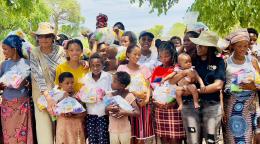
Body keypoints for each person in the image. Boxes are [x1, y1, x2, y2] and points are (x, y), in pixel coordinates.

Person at [170, 31, 225, 143]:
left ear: (210, 47)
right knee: (193, 140)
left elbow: (218, 85)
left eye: (201, 45)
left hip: (211, 107)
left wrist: (195, 91)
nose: (198, 47)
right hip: (190, 106)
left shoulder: (219, 62)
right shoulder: (190, 60)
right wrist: (183, 73)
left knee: (211, 140)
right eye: (197, 44)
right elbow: (173, 81)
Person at [30, 22, 65, 144]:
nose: (43, 39)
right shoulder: (35, 52)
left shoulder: (61, 51)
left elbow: (69, 67)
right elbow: (37, 75)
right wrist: (48, 98)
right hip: (41, 96)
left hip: (60, 95)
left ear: (53, 38)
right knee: (44, 130)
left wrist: (83, 62)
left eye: (47, 36)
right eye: (40, 36)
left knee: (62, 129)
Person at [223, 29, 260, 144]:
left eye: (245, 46)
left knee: (248, 138)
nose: (243, 49)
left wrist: (252, 87)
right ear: (233, 46)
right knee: (234, 138)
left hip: (251, 106)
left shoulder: (252, 61)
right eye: (239, 46)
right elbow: (222, 86)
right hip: (233, 107)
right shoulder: (226, 62)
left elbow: (259, 82)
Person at [150, 40, 186, 144]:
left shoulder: (176, 68)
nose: (164, 59)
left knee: (175, 139)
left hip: (174, 109)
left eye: (166, 56)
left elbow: (181, 88)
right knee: (164, 138)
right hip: (160, 110)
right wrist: (156, 102)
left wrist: (173, 103)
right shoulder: (157, 69)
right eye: (161, 56)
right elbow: (154, 87)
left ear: (173, 54)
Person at [117, 45, 154, 144]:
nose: (137, 57)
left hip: (142, 106)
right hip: (127, 106)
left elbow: (148, 86)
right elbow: (118, 86)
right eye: (135, 54)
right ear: (128, 54)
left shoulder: (144, 68)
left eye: (139, 55)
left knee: (140, 136)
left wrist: (146, 100)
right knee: (129, 135)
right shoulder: (121, 68)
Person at [0, 35, 33, 143]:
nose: (3, 51)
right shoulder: (4, 65)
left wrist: (26, 83)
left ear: (14, 49)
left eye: (5, 49)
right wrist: (1, 85)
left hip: (22, 105)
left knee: (22, 135)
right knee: (8, 134)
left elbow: (34, 86)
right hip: (6, 106)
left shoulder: (27, 64)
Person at [84, 53, 112, 144]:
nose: (95, 68)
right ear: (90, 66)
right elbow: (83, 93)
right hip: (90, 114)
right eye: (93, 66)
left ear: (102, 65)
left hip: (103, 114)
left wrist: (105, 94)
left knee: (103, 139)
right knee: (92, 140)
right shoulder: (86, 77)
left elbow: (113, 92)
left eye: (98, 65)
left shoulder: (108, 77)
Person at [106, 71, 140, 144]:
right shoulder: (110, 95)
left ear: (122, 85)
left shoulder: (129, 96)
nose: (112, 83)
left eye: (114, 81)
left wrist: (124, 112)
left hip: (125, 130)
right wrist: (107, 109)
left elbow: (137, 113)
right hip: (112, 130)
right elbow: (106, 113)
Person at [55, 72, 86, 144]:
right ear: (60, 84)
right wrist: (62, 113)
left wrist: (75, 114)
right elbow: (54, 112)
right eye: (67, 83)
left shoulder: (78, 96)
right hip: (63, 129)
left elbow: (84, 113)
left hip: (76, 128)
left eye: (72, 82)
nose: (70, 85)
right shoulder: (57, 96)